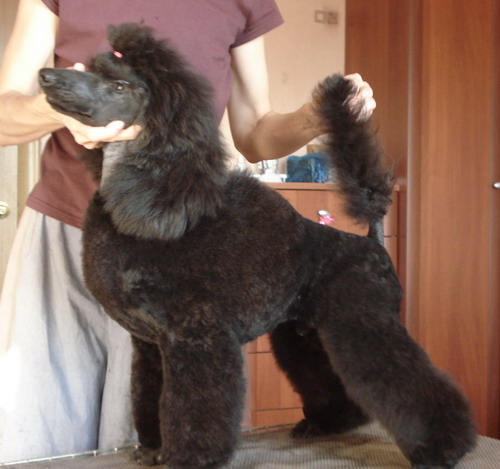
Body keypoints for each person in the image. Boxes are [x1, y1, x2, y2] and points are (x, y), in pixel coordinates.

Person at [0, 0, 376, 462]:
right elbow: (3, 117)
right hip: (68, 235)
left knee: (171, 435)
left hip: (187, 253)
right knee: (43, 433)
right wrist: (60, 108)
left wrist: (315, 118)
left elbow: (255, 133)